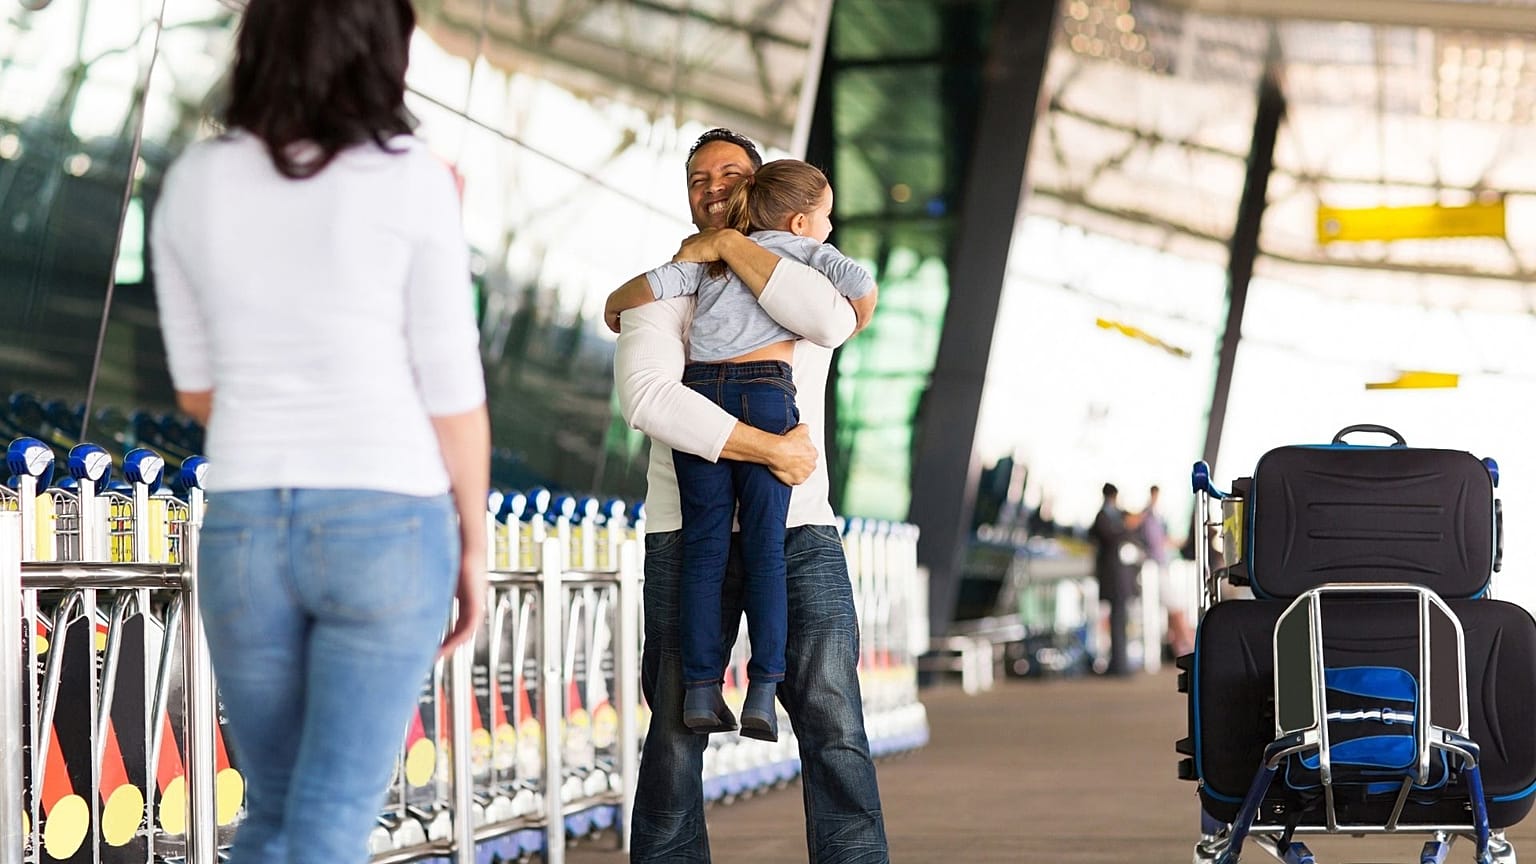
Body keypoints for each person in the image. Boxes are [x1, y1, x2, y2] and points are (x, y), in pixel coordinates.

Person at [149, 2, 489, 862]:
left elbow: (197, 392)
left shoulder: (194, 177)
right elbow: (451, 389)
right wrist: (472, 547)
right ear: (384, 49)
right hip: (386, 513)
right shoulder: (413, 175)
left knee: (275, 812)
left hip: (244, 523)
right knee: (331, 818)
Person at [614, 127, 888, 862]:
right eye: (697, 177)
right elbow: (648, 399)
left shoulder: (798, 273)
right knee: (676, 731)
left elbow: (834, 320)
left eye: (728, 174)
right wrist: (769, 447)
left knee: (834, 724)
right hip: (687, 530)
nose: (710, 187)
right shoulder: (671, 282)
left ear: (759, 188)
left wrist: (733, 247)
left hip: (801, 528)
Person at [1089, 483, 1141, 676]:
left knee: (1119, 620)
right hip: (1115, 577)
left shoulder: (1107, 516)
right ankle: (1119, 663)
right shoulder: (1108, 518)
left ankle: (1119, 662)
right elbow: (1111, 537)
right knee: (1118, 620)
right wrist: (1126, 528)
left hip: (1115, 577)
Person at [1139, 485, 1193, 656]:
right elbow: (1156, 544)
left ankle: (1180, 648)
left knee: (1174, 610)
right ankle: (1189, 645)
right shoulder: (1148, 517)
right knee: (1176, 607)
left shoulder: (1155, 517)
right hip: (1156, 569)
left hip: (1162, 567)